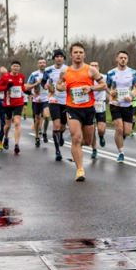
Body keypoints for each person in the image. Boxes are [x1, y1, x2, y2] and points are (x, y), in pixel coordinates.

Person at [61, 43, 105, 181]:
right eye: (75, 52)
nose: (78, 54)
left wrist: (91, 88)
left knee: (87, 140)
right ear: (71, 55)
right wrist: (61, 87)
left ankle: (80, 152)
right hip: (72, 108)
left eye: (81, 52)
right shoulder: (65, 72)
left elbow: (104, 85)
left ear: (84, 55)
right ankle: (80, 169)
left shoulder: (91, 70)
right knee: (76, 138)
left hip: (88, 109)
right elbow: (58, 84)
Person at [106, 51, 136, 163]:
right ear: (117, 59)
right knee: (119, 128)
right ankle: (121, 152)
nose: (123, 60)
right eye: (121, 58)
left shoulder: (133, 73)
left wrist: (131, 95)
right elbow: (106, 87)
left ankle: (120, 137)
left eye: (125, 58)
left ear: (127, 59)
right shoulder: (111, 73)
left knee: (127, 132)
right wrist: (111, 94)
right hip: (115, 104)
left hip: (127, 104)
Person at [0, 60, 27, 154]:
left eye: (17, 66)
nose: (16, 68)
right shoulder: (5, 77)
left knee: (17, 123)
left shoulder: (21, 76)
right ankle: (6, 138)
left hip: (19, 103)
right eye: (14, 66)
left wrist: (27, 91)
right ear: (11, 67)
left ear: (19, 68)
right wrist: (6, 87)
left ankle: (16, 144)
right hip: (8, 103)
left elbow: (22, 88)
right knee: (7, 125)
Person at [43, 50, 68, 161]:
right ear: (54, 58)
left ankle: (61, 135)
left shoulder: (68, 69)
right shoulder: (48, 70)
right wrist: (46, 86)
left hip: (66, 101)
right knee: (56, 125)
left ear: (63, 58)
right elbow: (43, 82)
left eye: (61, 56)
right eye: (57, 56)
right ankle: (57, 151)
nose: (59, 58)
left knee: (62, 126)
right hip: (54, 100)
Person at [27, 57, 50, 148]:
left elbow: (52, 87)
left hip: (45, 99)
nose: (42, 64)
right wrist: (36, 84)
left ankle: (44, 132)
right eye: (40, 63)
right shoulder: (34, 74)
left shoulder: (48, 74)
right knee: (37, 120)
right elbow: (27, 86)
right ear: (38, 64)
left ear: (45, 64)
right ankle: (37, 137)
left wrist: (49, 87)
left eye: (43, 63)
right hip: (36, 100)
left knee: (47, 116)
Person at [89, 60, 109, 154]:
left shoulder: (104, 77)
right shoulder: (86, 77)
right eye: (92, 65)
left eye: (96, 65)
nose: (94, 67)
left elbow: (108, 88)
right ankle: (94, 149)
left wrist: (112, 96)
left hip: (100, 104)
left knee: (101, 129)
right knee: (92, 129)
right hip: (89, 105)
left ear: (98, 67)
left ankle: (101, 136)